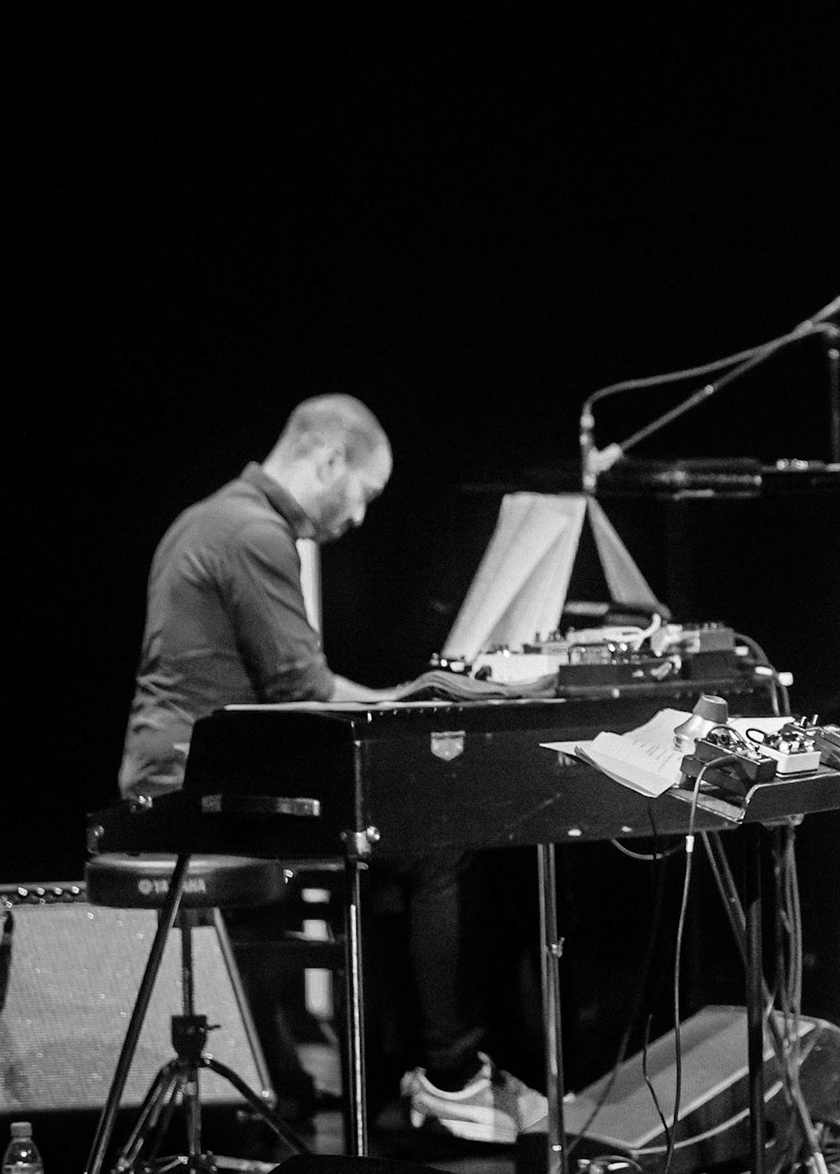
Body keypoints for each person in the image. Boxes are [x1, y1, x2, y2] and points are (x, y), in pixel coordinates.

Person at [119, 393, 544, 1144]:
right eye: (366, 494)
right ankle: (451, 1079)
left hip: (188, 779)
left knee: (393, 844)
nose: (360, 517)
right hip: (194, 793)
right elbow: (303, 692)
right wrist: (407, 704)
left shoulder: (211, 515)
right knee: (434, 846)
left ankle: (352, 1081)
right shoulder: (252, 532)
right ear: (329, 460)